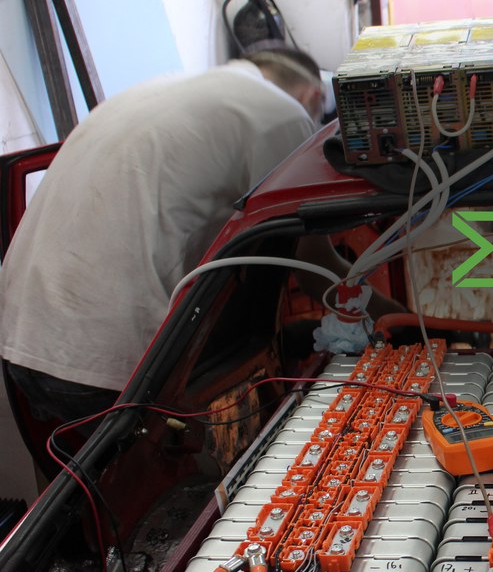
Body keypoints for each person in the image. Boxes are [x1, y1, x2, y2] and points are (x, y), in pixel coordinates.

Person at [0, 49, 392, 428]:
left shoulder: (166, 91)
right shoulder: (281, 113)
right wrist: (402, 321)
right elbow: (314, 269)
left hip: (21, 344)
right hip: (105, 364)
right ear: (313, 96)